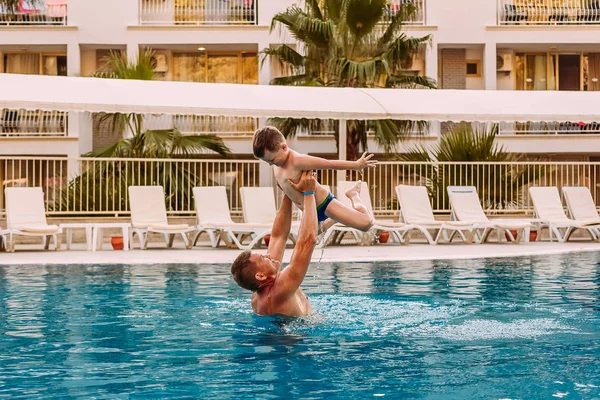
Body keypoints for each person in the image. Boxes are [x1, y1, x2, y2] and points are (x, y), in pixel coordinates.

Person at [252, 126, 376, 233]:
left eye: (272, 160)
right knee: (310, 236)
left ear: (284, 147)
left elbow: (328, 163)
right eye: (267, 161)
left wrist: (356, 165)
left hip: (325, 205)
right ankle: (336, 218)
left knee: (366, 224)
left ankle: (353, 195)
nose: (270, 164)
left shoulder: (297, 160)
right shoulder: (277, 164)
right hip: (309, 211)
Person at [231, 171, 319, 316]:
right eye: (263, 258)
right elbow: (308, 240)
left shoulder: (260, 290)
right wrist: (309, 192)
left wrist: (288, 192)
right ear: (260, 276)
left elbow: (278, 237)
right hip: (297, 334)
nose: (269, 256)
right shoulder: (279, 289)